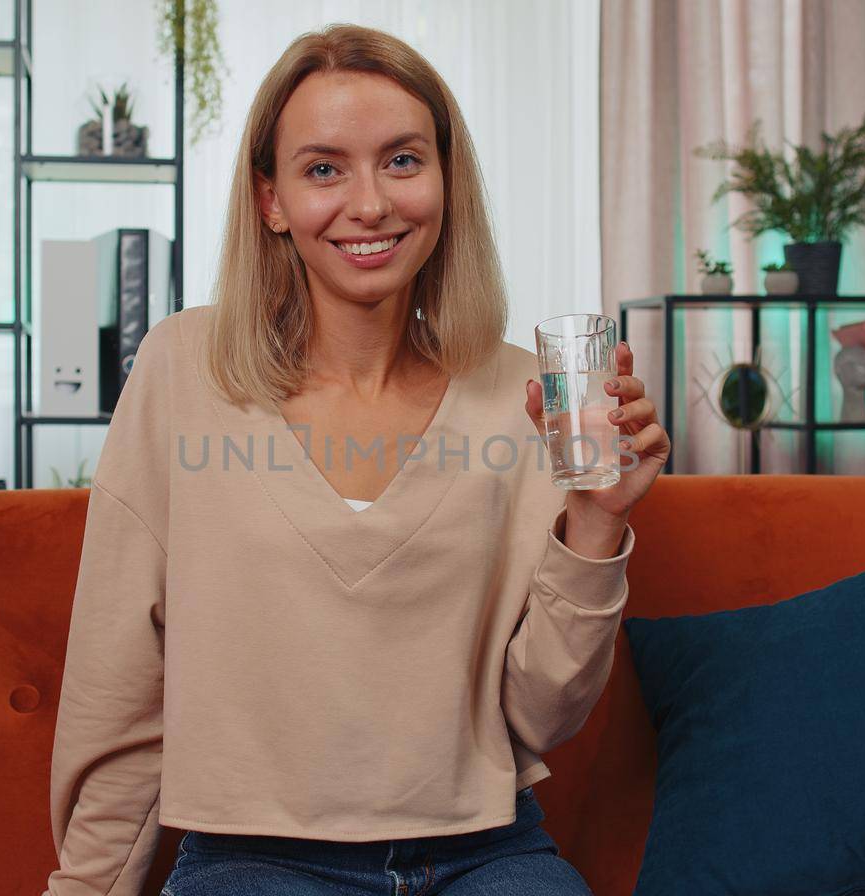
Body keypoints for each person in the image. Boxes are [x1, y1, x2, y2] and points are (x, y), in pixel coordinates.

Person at [43, 22, 669, 896]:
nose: (369, 203)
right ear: (271, 199)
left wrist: (598, 523)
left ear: (446, 181)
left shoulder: (530, 399)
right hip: (251, 859)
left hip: (486, 854)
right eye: (324, 168)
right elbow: (119, 678)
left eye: (404, 161)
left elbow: (543, 715)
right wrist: (88, 886)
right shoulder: (183, 369)